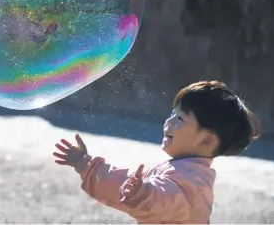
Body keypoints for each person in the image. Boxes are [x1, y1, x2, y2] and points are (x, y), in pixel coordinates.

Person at [53, 80, 261, 224]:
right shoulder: (187, 171)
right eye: (172, 114)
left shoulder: (189, 182)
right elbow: (127, 186)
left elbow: (162, 198)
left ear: (206, 141)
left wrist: (143, 193)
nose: (169, 122)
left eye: (180, 119)